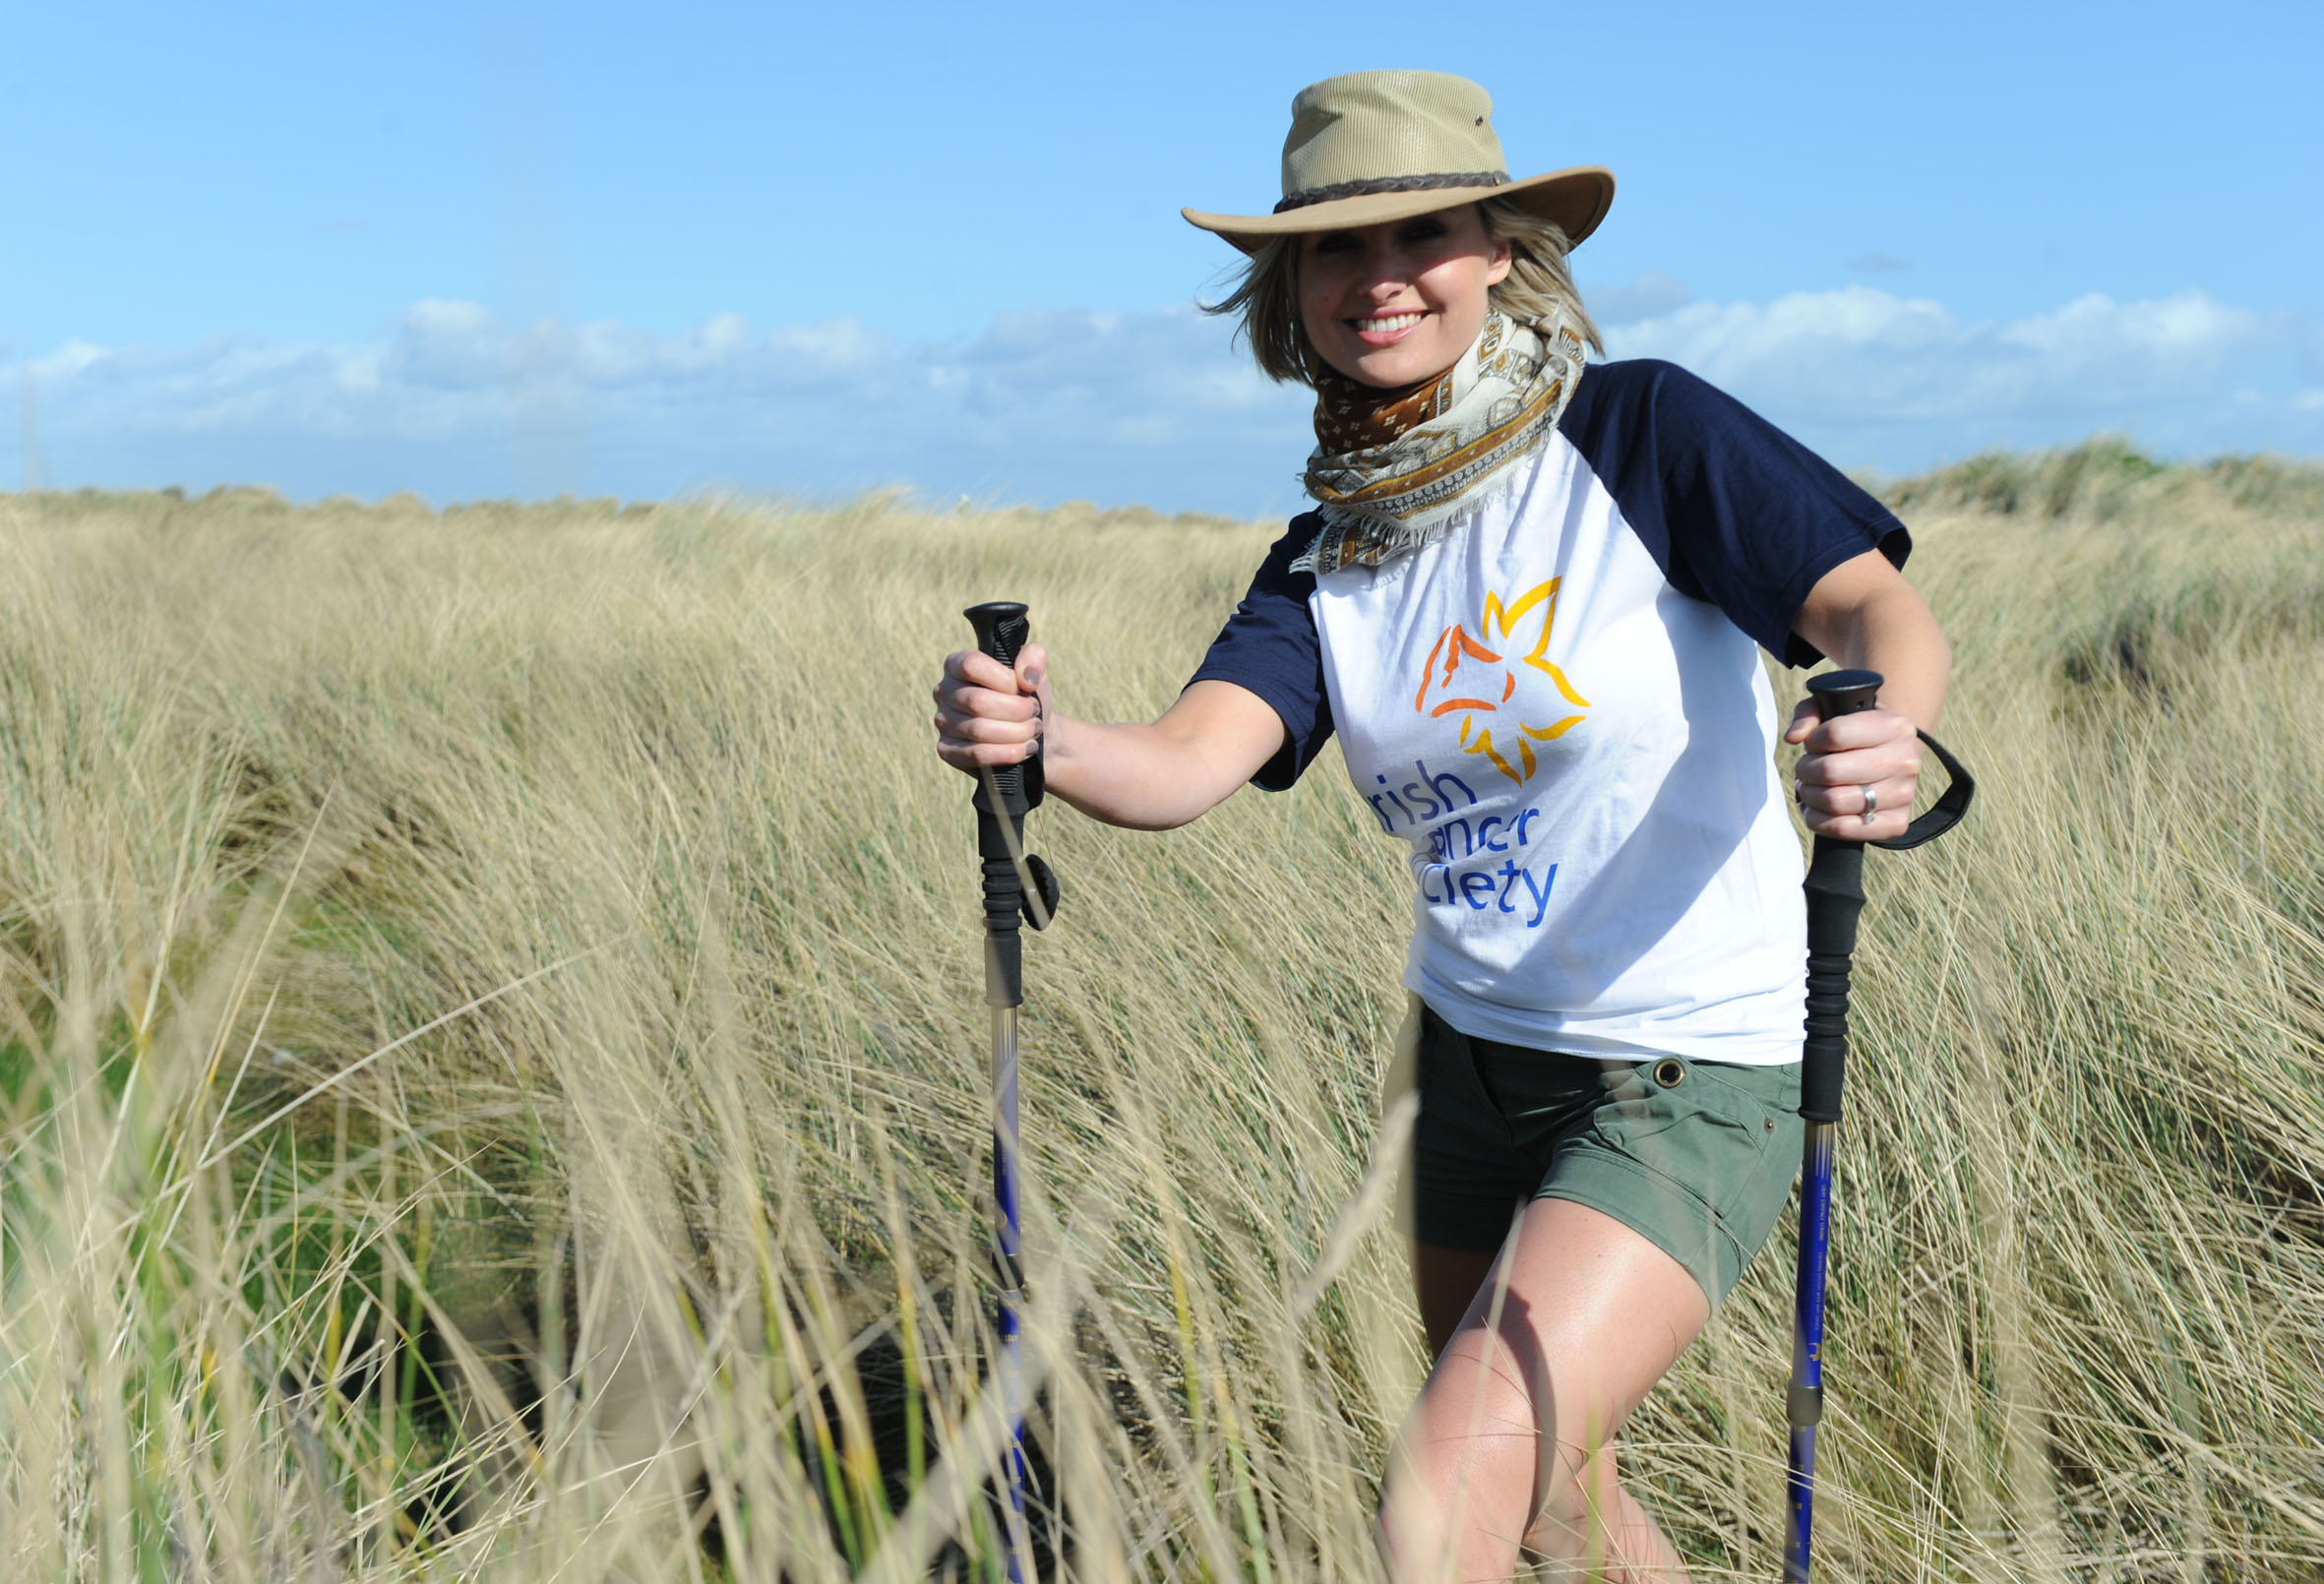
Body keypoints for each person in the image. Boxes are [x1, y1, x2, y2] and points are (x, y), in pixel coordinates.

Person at [933, 69, 1948, 1584]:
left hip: (1686, 1069)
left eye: (1423, 234)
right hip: (1466, 1070)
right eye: (1335, 249)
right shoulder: (1332, 546)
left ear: (1498, 250)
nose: (1380, 277)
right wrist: (1039, 737)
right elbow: (1183, 764)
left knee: (1437, 1507)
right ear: (1289, 288)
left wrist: (1890, 725)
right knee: (1546, 1501)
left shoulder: (1639, 428)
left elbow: (1866, 603)